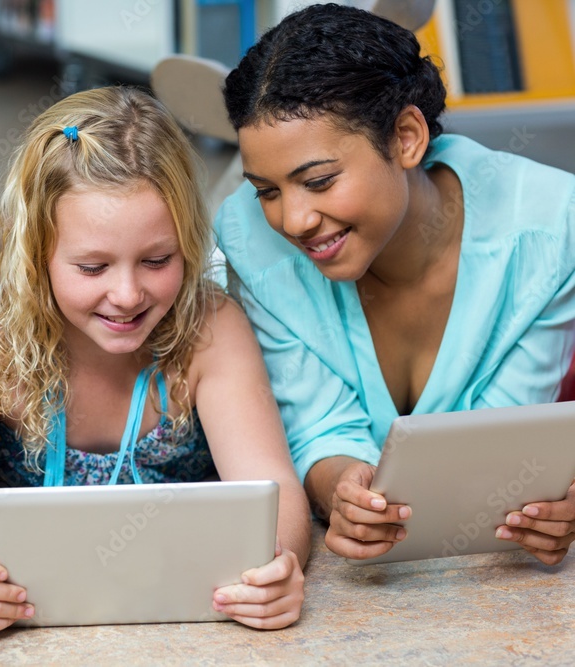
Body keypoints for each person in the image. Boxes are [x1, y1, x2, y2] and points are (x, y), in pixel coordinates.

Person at [0, 86, 310, 633]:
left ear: (187, 242)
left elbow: (275, 489)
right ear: (35, 253)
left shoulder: (211, 327)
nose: (127, 294)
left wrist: (278, 565)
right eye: (92, 267)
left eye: (157, 260)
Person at [215, 3, 575, 564]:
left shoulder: (550, 229)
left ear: (407, 137)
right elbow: (315, 425)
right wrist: (342, 493)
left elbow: (508, 444)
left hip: (490, 580)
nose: (293, 221)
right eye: (267, 190)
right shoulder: (249, 236)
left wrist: (540, 506)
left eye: (319, 180)